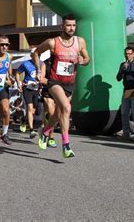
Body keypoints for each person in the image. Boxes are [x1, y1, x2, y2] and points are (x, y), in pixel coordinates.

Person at [32, 14, 90, 158]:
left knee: (59, 113)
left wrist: (83, 61)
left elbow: (87, 58)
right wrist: (39, 70)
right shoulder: (52, 42)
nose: (71, 28)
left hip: (69, 83)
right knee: (66, 108)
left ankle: (45, 132)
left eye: (74, 26)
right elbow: (36, 53)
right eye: (69, 25)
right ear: (62, 26)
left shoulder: (80, 41)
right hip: (54, 82)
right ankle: (66, 145)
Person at [16, 51, 40, 139]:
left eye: (38, 55)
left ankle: (24, 119)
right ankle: (32, 130)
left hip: (36, 89)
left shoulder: (41, 64)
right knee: (29, 108)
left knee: (33, 111)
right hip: (27, 88)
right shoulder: (25, 64)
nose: (37, 56)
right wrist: (19, 83)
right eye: (35, 55)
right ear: (31, 55)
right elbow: (18, 73)